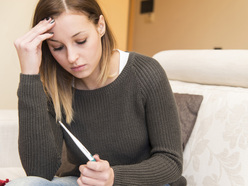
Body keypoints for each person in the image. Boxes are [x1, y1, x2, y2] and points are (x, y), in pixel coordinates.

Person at [10, 0, 186, 185]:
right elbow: (39, 173)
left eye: (80, 41)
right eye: (58, 47)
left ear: (100, 26)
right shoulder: (54, 89)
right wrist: (30, 75)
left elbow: (171, 161)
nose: (72, 58)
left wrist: (113, 177)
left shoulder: (145, 72)